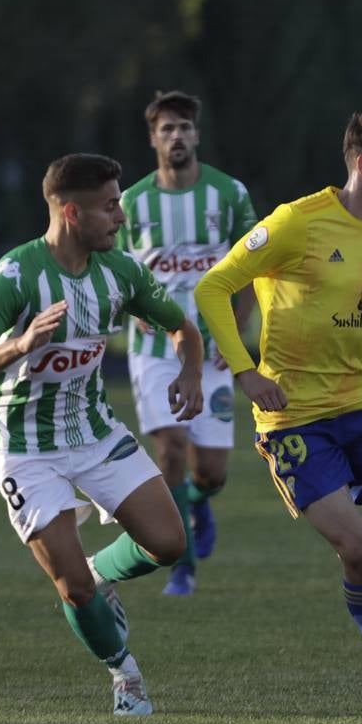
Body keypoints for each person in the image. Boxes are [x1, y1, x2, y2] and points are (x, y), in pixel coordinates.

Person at [194, 111, 362, 720]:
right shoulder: (295, 223)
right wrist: (245, 371)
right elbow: (212, 286)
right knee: (357, 553)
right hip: (297, 421)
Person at [0, 152, 205, 716]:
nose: (121, 217)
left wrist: (188, 372)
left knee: (168, 543)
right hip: (22, 451)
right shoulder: (17, 274)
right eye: (110, 206)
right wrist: (17, 346)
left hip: (92, 433)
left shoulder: (122, 271)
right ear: (70, 212)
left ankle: (99, 571)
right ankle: (124, 673)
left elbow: (182, 327)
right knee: (74, 591)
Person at [117, 90, 258, 597]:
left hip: (215, 348)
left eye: (184, 127)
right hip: (155, 351)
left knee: (212, 472)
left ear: (196, 134)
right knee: (170, 450)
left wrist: (235, 334)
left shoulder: (229, 194)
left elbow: (251, 272)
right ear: (153, 138)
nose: (176, 136)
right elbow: (117, 275)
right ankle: (184, 564)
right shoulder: (131, 203)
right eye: (166, 129)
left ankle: (198, 502)